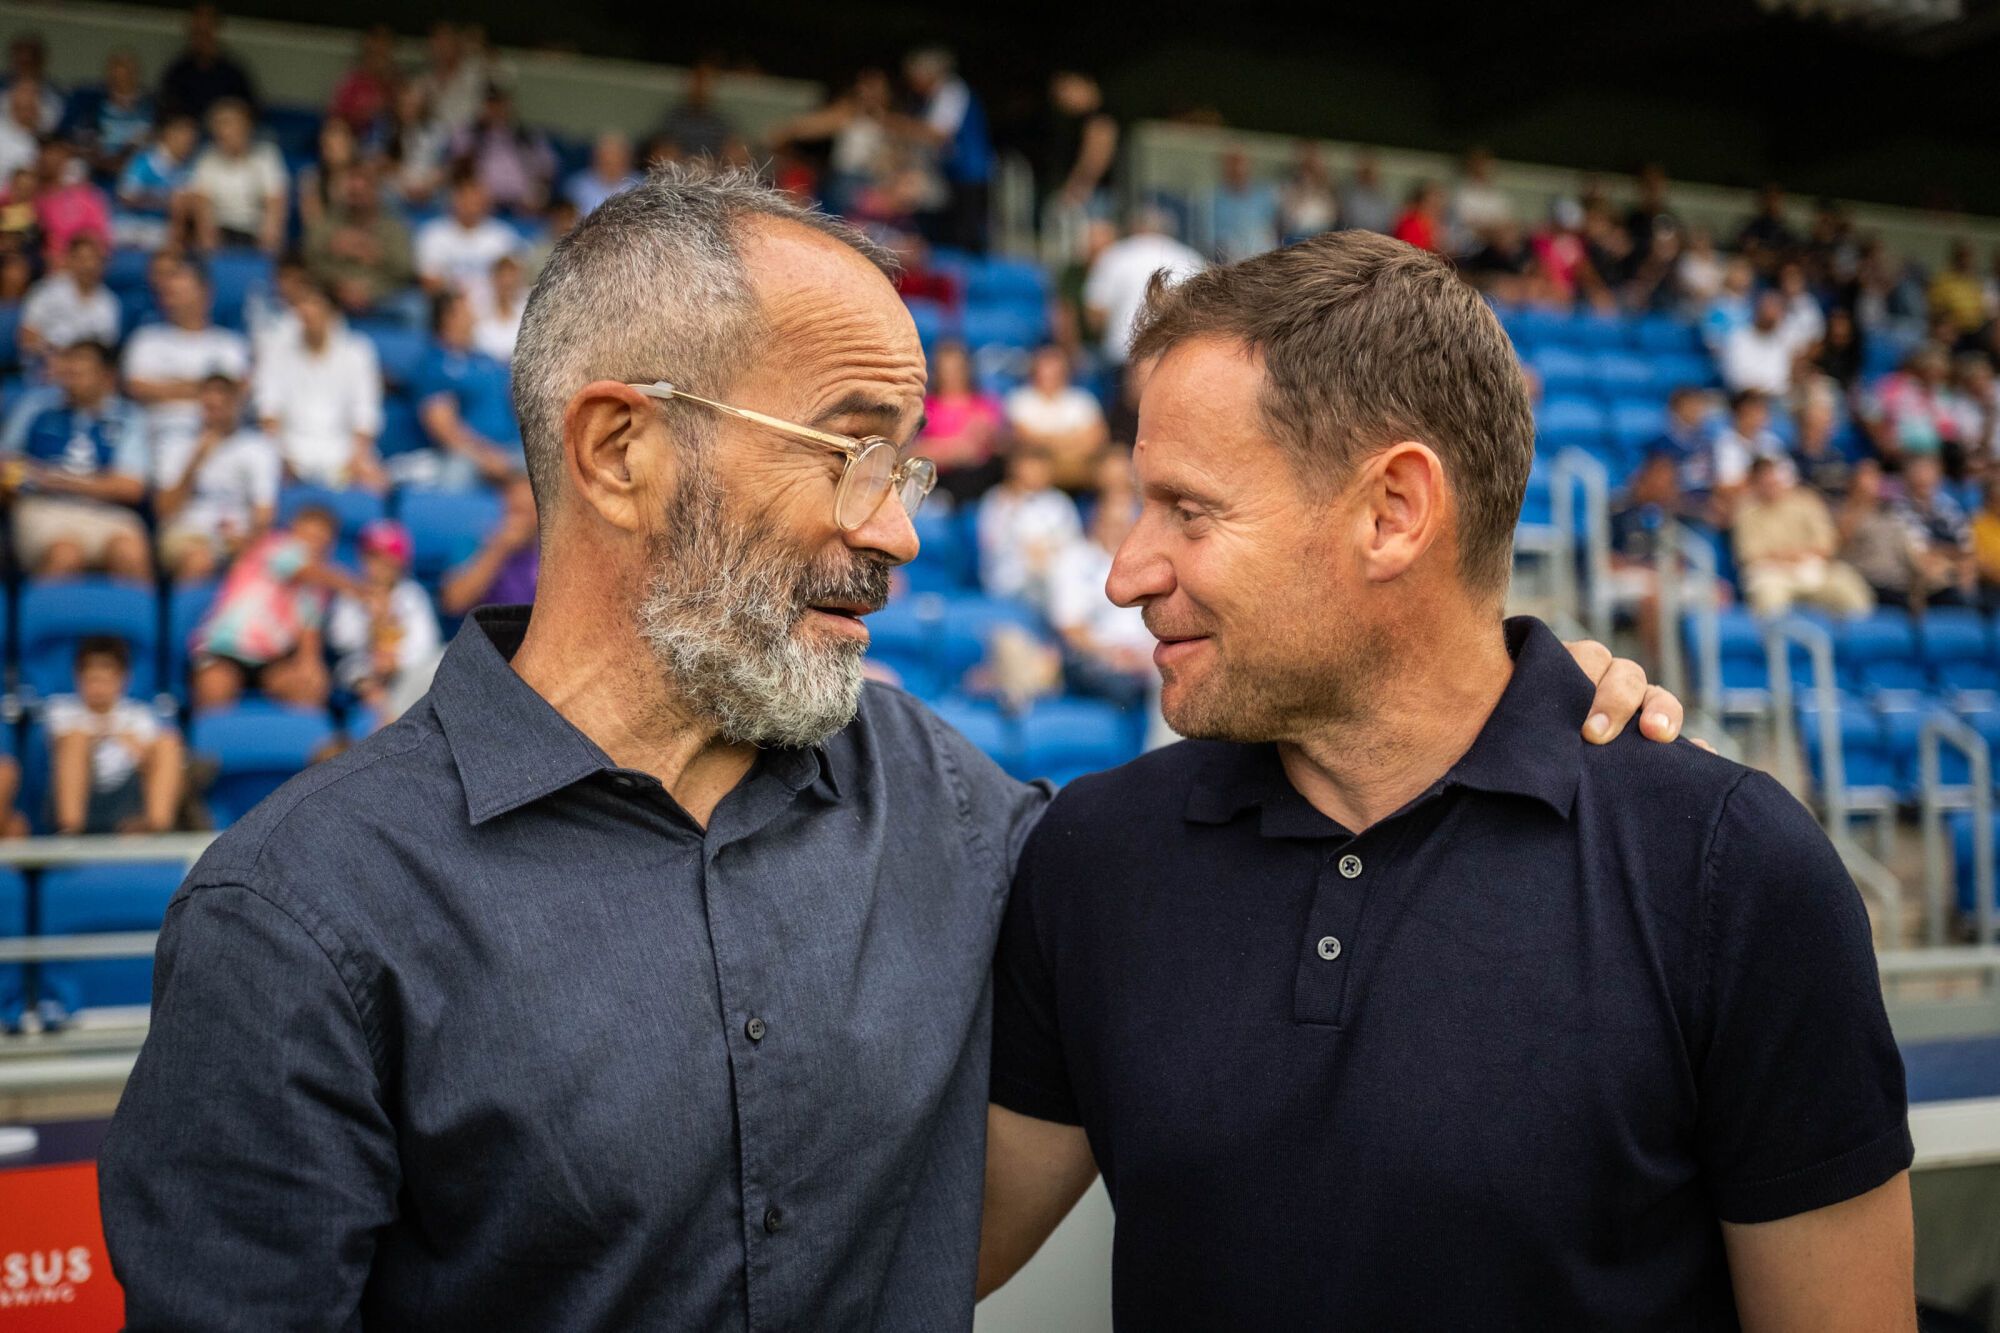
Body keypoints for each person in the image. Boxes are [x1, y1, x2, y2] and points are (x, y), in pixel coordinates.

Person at [99, 168, 1681, 1328]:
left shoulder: (973, 822)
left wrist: (1510, 684)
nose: (900, 534)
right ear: (621, 447)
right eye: (854, 449)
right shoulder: (300, 918)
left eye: (910, 465)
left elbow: (1331, 752)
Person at [979, 230, 1914, 1330]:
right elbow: (903, 1243)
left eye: (1188, 510)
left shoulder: (1726, 871)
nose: (1125, 571)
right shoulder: (1097, 853)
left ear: (1392, 512)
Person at [0, 339, 150, 578]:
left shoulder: (129, 417)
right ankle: (40, 615)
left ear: (107, 377)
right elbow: (6, 467)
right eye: (69, 370)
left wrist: (51, 478)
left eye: (82, 372)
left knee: (129, 552)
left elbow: (130, 487)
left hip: (107, 512)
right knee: (66, 553)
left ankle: (132, 616)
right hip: (43, 509)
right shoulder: (35, 407)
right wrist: (99, 483)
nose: (72, 377)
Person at [187, 505, 346, 711]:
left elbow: (309, 629)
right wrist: (359, 588)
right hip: (226, 649)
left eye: (321, 537)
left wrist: (310, 665)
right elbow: (301, 569)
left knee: (310, 689)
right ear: (295, 530)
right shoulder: (272, 545)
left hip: (272, 659)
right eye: (310, 533)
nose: (313, 542)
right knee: (214, 689)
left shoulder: (317, 590)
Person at [253, 277, 387, 490]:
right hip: (290, 450)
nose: (307, 312)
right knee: (260, 470)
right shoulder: (276, 351)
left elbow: (366, 413)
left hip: (343, 450)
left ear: (332, 313)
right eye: (302, 305)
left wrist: (356, 459)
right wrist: (281, 457)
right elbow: (268, 410)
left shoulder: (357, 352)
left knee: (377, 482)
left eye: (315, 305)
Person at [121, 258, 253, 470]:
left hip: (221, 437)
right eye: (169, 292)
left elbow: (237, 391)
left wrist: (168, 387)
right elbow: (137, 388)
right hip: (163, 434)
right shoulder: (146, 339)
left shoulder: (230, 345)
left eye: (181, 289)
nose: (172, 296)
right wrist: (207, 388)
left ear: (205, 293)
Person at [48, 637, 184, 836]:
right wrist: (111, 733)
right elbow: (61, 746)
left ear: (123, 679)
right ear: (78, 678)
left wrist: (132, 745)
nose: (98, 688)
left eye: (105, 679)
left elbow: (150, 762)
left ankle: (157, 827)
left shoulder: (139, 715)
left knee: (168, 742)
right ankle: (70, 830)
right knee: (75, 741)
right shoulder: (60, 709)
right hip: (83, 797)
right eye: (92, 679)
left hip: (127, 798)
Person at [1048, 453, 1153, 707]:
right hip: (1097, 657)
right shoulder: (1073, 559)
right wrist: (1110, 654)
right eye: (1112, 521)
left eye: (1125, 522)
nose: (1118, 529)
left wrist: (1145, 657)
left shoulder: (1149, 560)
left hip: (1146, 656)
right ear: (1097, 519)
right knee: (1121, 685)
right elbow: (1071, 627)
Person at [155, 373, 281, 583]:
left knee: (271, 561)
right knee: (199, 561)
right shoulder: (176, 445)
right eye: (209, 406)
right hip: (187, 532)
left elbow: (264, 512)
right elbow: (164, 510)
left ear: (236, 404)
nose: (216, 412)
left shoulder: (258, 448)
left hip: (238, 535)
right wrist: (194, 461)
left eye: (222, 405)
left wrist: (248, 540)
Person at [405, 288, 521, 488]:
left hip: (511, 449)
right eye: (466, 311)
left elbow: (516, 403)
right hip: (468, 457)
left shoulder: (486, 360)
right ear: (448, 318)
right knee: (457, 473)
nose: (473, 317)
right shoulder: (433, 364)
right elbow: (444, 428)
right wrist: (485, 456)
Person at [1732, 456, 1873, 618]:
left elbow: (1827, 544)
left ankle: (1858, 636)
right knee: (1768, 593)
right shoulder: (1746, 511)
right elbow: (1749, 555)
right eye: (1763, 478)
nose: (1769, 481)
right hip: (1772, 573)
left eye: (1772, 475)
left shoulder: (1806, 501)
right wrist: (1786, 558)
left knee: (1847, 583)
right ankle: (1777, 640)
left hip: (1811, 568)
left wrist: (1802, 556)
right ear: (1754, 483)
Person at [326, 519, 442, 715]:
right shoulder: (350, 594)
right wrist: (372, 619)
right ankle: (381, 716)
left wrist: (396, 661)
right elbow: (341, 640)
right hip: (362, 667)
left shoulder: (412, 594)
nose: (381, 564)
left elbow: (426, 643)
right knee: (355, 674)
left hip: (406, 671)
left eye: (389, 557)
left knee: (437, 663)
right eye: (374, 557)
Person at [1082, 206, 1203, 365]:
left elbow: (1095, 315)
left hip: (1123, 350)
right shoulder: (1190, 257)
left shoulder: (1114, 255)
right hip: (1172, 353)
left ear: (1136, 228)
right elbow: (1201, 313)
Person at [899, 47, 992, 253]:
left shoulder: (952, 91)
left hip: (968, 173)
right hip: (951, 172)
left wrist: (892, 123)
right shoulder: (933, 96)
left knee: (967, 232)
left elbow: (938, 133)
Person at [304, 159, 416, 318]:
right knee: (308, 301)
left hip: (382, 296)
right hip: (334, 294)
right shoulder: (327, 224)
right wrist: (339, 283)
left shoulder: (394, 226)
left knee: (414, 307)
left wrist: (375, 254)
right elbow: (310, 262)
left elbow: (406, 270)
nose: (358, 195)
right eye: (353, 192)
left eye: (364, 190)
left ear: (375, 191)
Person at [977, 444, 1081, 608]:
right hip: (1009, 578)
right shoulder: (998, 499)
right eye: (1029, 467)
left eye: (1040, 469)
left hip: (1052, 578)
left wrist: (1046, 552)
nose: (1035, 474)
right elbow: (990, 545)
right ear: (1016, 469)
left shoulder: (1059, 502)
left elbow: (1074, 545)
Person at [1004, 344, 1109, 494]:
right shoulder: (1020, 399)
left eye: (1055, 370)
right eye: (1045, 369)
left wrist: (1047, 441)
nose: (1050, 375)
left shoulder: (1082, 400)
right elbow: (1025, 439)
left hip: (1078, 467)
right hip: (1037, 467)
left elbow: (1096, 439)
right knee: (1031, 464)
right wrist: (1072, 439)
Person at [188, 98, 287, 253]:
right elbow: (201, 202)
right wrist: (207, 237)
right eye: (220, 127)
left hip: (255, 231)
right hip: (220, 231)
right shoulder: (207, 159)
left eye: (231, 125)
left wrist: (270, 233)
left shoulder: (266, 155)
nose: (225, 132)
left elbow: (275, 200)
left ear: (246, 127)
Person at [439, 471, 539, 617]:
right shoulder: (475, 543)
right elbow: (453, 602)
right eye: (514, 511)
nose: (517, 520)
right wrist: (499, 549)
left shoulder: (557, 551)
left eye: (527, 512)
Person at [914, 340, 1004, 501]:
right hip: (935, 483)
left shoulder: (985, 405)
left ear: (967, 369)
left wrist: (939, 447)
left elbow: (986, 451)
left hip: (978, 481)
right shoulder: (923, 406)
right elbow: (913, 453)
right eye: (945, 369)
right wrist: (955, 447)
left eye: (956, 368)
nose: (951, 374)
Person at [450, 84, 556, 215]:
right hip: (483, 205)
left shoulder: (527, 136)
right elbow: (458, 170)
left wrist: (539, 192)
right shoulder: (469, 133)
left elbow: (547, 171)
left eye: (500, 102)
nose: (496, 108)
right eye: (491, 102)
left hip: (523, 207)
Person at [415, 169, 520, 300]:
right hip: (448, 303)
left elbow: (514, 277)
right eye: (466, 199)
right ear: (455, 200)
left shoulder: (503, 236)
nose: (471, 206)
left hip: (493, 303)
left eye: (475, 200)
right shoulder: (434, 233)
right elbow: (429, 282)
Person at [18, 232, 119, 367]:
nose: (88, 265)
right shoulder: (45, 290)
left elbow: (105, 351)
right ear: (69, 259)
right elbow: (27, 337)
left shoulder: (110, 303)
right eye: (82, 258)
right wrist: (55, 357)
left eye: (94, 259)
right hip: (44, 366)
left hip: (86, 371)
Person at [1891, 453, 1975, 607]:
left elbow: (1967, 547)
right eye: (1918, 471)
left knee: (1970, 579)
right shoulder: (1899, 509)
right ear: (1907, 476)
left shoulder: (1949, 507)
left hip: (1956, 574)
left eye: (1929, 471)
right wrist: (1952, 553)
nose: (1923, 477)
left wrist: (1945, 553)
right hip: (1920, 579)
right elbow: (1919, 552)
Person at [158, 4, 257, 121]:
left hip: (224, 134)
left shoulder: (233, 72)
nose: (202, 37)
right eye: (198, 31)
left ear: (216, 30)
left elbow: (250, 109)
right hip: (188, 134)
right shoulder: (177, 71)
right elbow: (165, 109)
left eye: (206, 31)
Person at [70, 51, 154, 179]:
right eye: (116, 72)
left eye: (128, 72)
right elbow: (81, 142)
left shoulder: (150, 106)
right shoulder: (91, 105)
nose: (122, 77)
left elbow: (153, 145)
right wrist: (104, 162)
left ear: (136, 75)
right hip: (97, 173)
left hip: (138, 176)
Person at [1720, 288, 1807, 397]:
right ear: (1757, 309)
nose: (1772, 314)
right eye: (1768, 308)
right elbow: (1735, 378)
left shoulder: (1785, 340)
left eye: (1777, 309)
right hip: (1745, 399)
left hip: (1779, 398)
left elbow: (1786, 379)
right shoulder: (1738, 338)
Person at [328, 26, 399, 137]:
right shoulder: (350, 82)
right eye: (376, 43)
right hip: (355, 143)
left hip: (390, 147)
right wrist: (368, 113)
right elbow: (336, 120)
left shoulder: (397, 83)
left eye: (384, 45)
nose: (380, 49)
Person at [1208, 149, 1278, 263]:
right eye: (1232, 163)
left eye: (1241, 163)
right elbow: (1210, 240)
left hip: (1264, 257)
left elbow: (1273, 230)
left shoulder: (1264, 196)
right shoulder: (1213, 199)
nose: (1237, 169)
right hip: (1230, 258)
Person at [564, 130, 639, 217]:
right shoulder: (576, 187)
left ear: (627, 160)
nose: (611, 166)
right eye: (605, 159)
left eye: (616, 159)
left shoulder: (641, 185)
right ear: (595, 159)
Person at [472, 251, 526, 361]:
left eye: (511, 283)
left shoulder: (530, 311)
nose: (506, 285)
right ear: (493, 280)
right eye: (502, 281)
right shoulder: (477, 312)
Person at [1338, 152, 1393, 235]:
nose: (1370, 174)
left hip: (1378, 237)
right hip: (1354, 235)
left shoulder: (1383, 196)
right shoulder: (1350, 193)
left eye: (1373, 170)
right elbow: (1352, 219)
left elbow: (1387, 221)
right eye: (1366, 170)